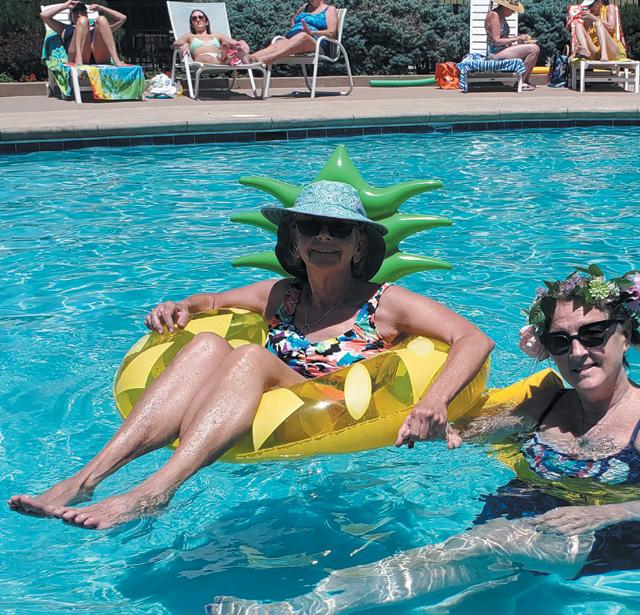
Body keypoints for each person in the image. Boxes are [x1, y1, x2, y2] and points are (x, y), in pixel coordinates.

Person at [207, 266, 640, 615]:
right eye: (560, 342)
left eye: (594, 334)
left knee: (465, 551)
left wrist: (603, 514)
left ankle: (310, 605)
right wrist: (438, 428)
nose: (578, 352)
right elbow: (476, 431)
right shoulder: (547, 402)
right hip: (532, 524)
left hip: (611, 534)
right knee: (464, 607)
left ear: (625, 335)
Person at [8, 181, 493, 530]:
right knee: (207, 343)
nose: (324, 237)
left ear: (358, 244)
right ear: (295, 240)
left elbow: (474, 339)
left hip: (336, 409)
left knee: (249, 357)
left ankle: (154, 491)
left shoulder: (384, 303)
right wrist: (180, 306)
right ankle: (84, 479)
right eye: (311, 227)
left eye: (339, 229)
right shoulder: (282, 295)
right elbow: (212, 302)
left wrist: (434, 400)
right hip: (270, 394)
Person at [248, 0, 337, 67]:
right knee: (278, 43)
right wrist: (295, 28)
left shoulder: (329, 9)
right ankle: (252, 58)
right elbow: (293, 19)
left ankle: (272, 58)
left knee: (303, 36)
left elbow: (331, 32)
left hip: (316, 43)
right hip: (295, 38)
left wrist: (312, 32)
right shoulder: (305, 7)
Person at [41, 1, 127, 67]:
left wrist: (101, 8)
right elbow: (44, 16)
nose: (79, 14)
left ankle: (116, 60)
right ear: (71, 15)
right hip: (76, 57)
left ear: (87, 13)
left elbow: (123, 18)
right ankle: (79, 58)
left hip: (98, 56)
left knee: (102, 19)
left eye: (82, 10)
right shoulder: (64, 28)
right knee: (82, 20)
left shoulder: (98, 28)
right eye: (75, 11)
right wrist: (65, 5)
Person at [485, 0, 541, 91]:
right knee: (534, 49)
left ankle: (525, 80)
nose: (513, 12)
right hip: (495, 53)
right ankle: (521, 81)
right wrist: (518, 38)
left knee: (534, 48)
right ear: (505, 7)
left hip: (501, 50)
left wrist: (517, 42)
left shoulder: (500, 16)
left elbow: (503, 38)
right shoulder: (494, 15)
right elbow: (496, 40)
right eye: (512, 10)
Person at [172, 8, 251, 66]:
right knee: (204, 57)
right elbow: (174, 45)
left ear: (206, 22)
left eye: (201, 17)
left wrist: (242, 42)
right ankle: (228, 58)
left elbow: (236, 43)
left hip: (217, 56)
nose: (198, 20)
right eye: (194, 18)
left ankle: (224, 57)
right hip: (201, 60)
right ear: (192, 24)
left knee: (224, 51)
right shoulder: (189, 35)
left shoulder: (216, 35)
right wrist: (185, 44)